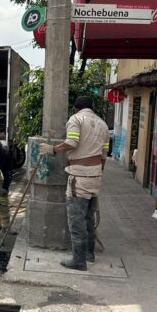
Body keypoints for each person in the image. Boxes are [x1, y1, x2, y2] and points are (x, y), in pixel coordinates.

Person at [39, 95, 110, 271]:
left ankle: (79, 260)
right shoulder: (103, 124)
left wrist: (53, 150)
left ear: (76, 108)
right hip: (95, 175)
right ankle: (88, 254)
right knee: (88, 217)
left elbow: (72, 142)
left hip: (80, 176)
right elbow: (104, 154)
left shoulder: (76, 119)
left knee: (76, 219)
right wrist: (98, 172)